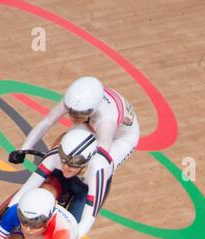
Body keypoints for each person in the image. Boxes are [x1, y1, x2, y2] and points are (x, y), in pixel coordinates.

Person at [9, 75, 139, 200]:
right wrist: (24, 149)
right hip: (91, 124)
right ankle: (53, 176)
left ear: (92, 110)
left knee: (96, 170)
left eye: (78, 115)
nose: (73, 117)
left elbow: (102, 154)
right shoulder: (74, 101)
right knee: (64, 144)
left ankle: (81, 200)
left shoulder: (107, 119)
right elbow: (47, 121)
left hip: (120, 138)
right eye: (71, 113)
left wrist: (82, 168)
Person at [7, 126, 101, 239]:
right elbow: (28, 187)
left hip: (84, 191)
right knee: (44, 191)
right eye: (63, 159)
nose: (66, 166)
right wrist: (7, 213)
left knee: (70, 230)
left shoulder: (98, 172)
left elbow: (88, 218)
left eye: (73, 163)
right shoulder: (55, 155)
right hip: (59, 178)